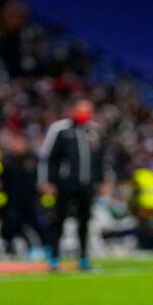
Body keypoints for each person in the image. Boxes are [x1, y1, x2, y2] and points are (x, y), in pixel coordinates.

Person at [39, 98, 106, 271]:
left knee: (84, 222)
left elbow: (100, 160)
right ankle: (54, 258)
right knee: (59, 219)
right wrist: (47, 181)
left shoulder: (95, 131)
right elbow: (49, 158)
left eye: (88, 110)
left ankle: (84, 258)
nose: (84, 113)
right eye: (81, 109)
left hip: (87, 185)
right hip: (65, 185)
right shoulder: (60, 130)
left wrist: (100, 181)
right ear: (73, 110)